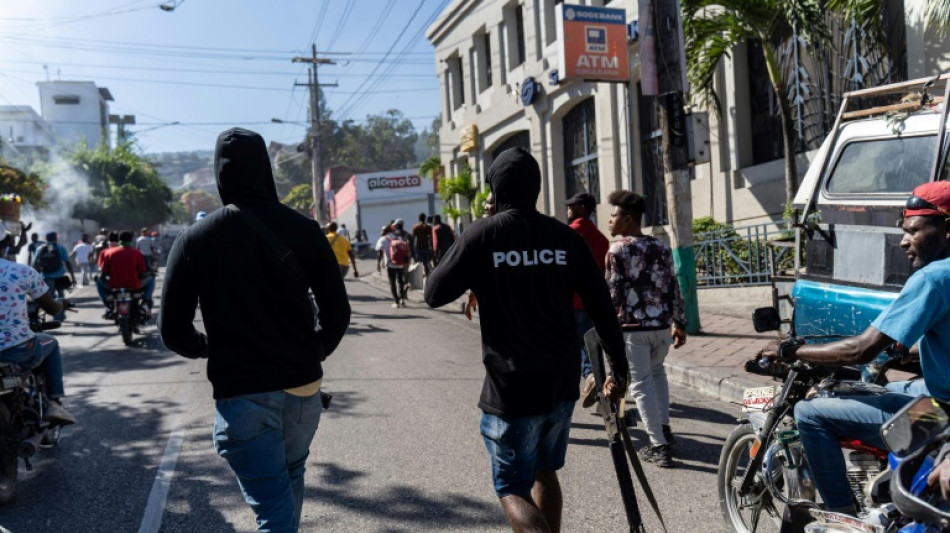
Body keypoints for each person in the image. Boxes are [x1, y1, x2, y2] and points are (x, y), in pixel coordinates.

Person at [424, 147, 628, 533]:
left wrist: (473, 242)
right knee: (544, 471)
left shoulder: (484, 234)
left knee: (512, 487)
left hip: (512, 387)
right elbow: (602, 307)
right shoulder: (565, 238)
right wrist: (619, 369)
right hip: (561, 382)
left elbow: (433, 293)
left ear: (495, 189)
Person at [159, 128, 350, 533]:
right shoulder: (304, 229)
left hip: (242, 393)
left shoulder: (195, 239)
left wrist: (208, 347)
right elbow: (337, 314)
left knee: (272, 509)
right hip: (303, 389)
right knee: (289, 479)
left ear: (219, 173)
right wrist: (312, 351)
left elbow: (173, 330)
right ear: (265, 169)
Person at [760, 181, 950, 516]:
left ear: (946, 228)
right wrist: (908, 354)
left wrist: (790, 352)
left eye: (913, 231)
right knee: (886, 389)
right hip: (937, 393)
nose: (903, 241)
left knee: (811, 413)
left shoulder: (934, 278)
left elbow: (860, 350)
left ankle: (841, 515)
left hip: (942, 414)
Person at [605, 190, 686, 468]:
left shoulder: (617, 250)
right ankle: (664, 429)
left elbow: (613, 295)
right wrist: (680, 322)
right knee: (657, 374)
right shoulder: (661, 247)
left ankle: (658, 446)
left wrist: (606, 330)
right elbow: (674, 286)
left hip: (633, 330)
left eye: (613, 216)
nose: (609, 221)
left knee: (641, 385)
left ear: (627, 219)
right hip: (662, 326)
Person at [0, 241, 75, 426]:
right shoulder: (22, 271)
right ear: (5, 246)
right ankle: (54, 402)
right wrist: (62, 305)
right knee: (51, 343)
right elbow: (52, 308)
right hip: (17, 349)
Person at [565, 192, 611, 408]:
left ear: (582, 209)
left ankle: (589, 377)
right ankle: (597, 380)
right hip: (593, 299)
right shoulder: (601, 238)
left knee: (575, 345)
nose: (568, 208)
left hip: (572, 299)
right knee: (592, 343)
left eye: (572, 205)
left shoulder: (568, 234)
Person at [97, 230, 156, 318]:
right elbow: (142, 272)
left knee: (97, 280)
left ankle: (107, 303)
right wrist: (150, 273)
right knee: (151, 278)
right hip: (134, 285)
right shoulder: (136, 253)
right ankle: (146, 301)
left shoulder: (107, 252)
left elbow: (103, 272)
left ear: (119, 239)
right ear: (131, 240)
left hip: (114, 285)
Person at [32, 231, 76, 322]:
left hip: (46, 276)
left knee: (51, 297)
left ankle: (57, 315)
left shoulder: (40, 248)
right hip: (60, 276)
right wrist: (72, 276)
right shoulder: (60, 248)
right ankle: (61, 314)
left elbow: (35, 264)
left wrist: (35, 278)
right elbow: (67, 262)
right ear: (55, 238)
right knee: (61, 295)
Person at [376, 220, 411, 308]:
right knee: (400, 281)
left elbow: (379, 252)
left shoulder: (383, 239)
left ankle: (396, 302)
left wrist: (378, 264)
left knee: (392, 283)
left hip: (390, 264)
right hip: (400, 263)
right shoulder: (398, 237)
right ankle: (402, 299)